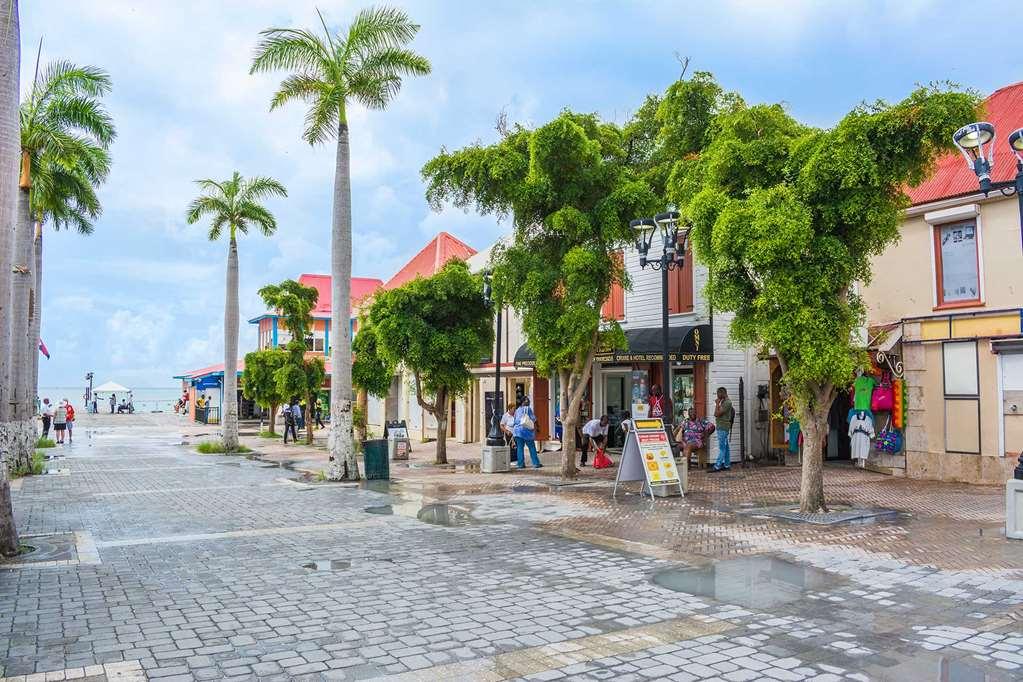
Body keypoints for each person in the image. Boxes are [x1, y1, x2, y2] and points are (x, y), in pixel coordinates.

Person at [513, 396, 541, 469]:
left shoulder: (517, 410)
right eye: (527, 400)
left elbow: (515, 421)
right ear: (523, 402)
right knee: (531, 447)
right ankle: (536, 463)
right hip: (526, 431)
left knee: (520, 448)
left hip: (517, 431)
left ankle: (520, 464)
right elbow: (534, 419)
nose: (529, 402)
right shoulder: (527, 408)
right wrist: (538, 427)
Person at [711, 387, 734, 472]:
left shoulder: (727, 402)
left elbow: (716, 414)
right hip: (722, 426)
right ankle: (727, 465)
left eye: (718, 394)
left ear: (722, 393)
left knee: (722, 447)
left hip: (722, 427)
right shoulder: (724, 402)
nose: (717, 396)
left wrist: (717, 404)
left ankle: (717, 466)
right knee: (726, 447)